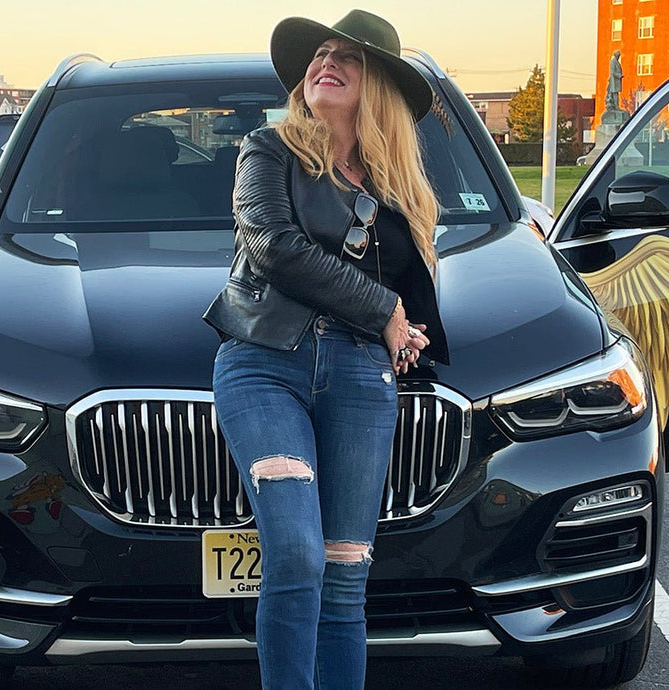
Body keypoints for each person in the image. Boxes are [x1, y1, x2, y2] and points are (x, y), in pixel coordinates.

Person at [203, 9, 449, 690]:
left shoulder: (400, 189)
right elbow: (274, 248)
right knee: (297, 554)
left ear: (380, 88)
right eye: (320, 54)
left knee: (344, 578)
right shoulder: (268, 149)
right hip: (263, 363)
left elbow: (407, 292)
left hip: (360, 379)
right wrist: (386, 310)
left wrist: (406, 328)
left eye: (348, 57)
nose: (324, 63)